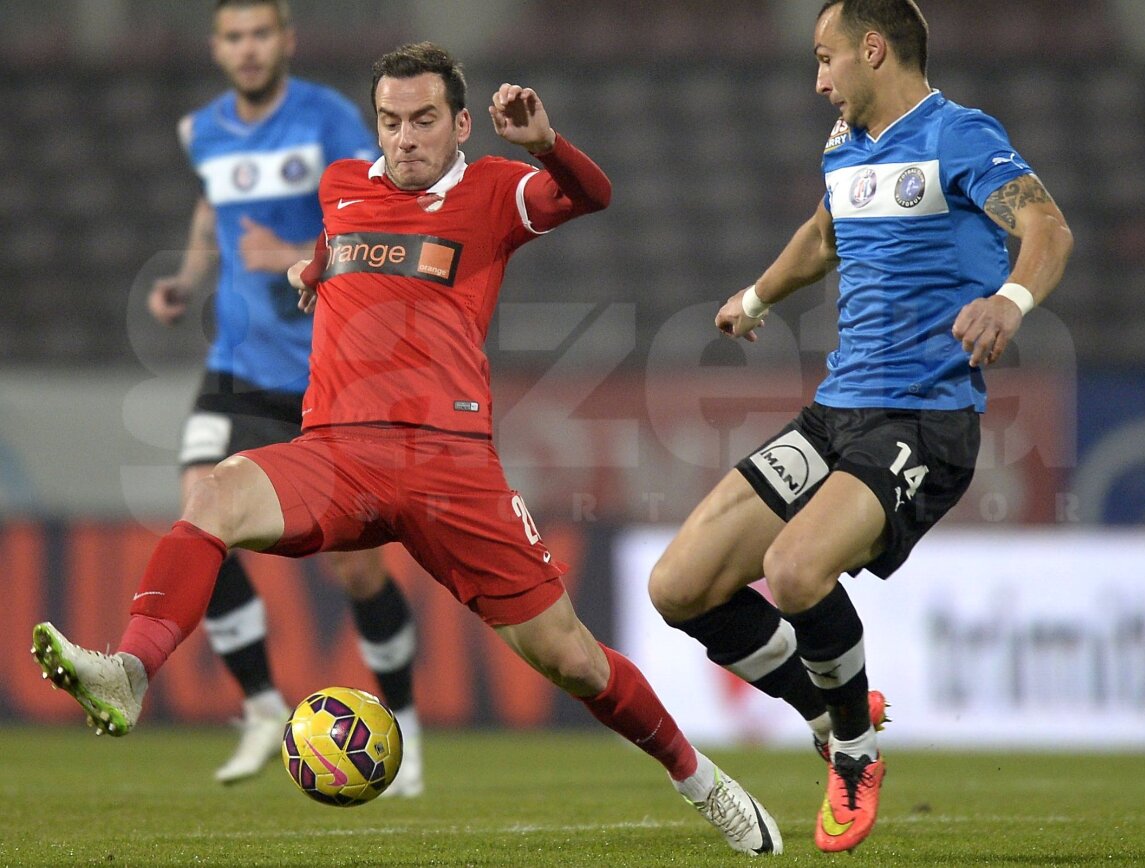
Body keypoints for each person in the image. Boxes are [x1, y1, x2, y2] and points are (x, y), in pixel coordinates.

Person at [33, 41, 783, 855]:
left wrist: (543, 143)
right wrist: (312, 267)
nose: (406, 138)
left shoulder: (494, 191)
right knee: (211, 494)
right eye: (391, 121)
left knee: (572, 661)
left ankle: (701, 782)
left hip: (449, 465)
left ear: (461, 123)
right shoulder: (343, 187)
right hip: (336, 454)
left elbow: (591, 193)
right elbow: (341, 247)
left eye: (424, 120)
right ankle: (132, 672)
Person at [647, 0, 1073, 855]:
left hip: (926, 418)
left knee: (795, 570)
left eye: (826, 58)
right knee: (678, 586)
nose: (818, 79)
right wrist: (757, 298)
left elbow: (1046, 226)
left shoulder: (958, 134)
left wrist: (1009, 299)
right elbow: (822, 233)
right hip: (838, 411)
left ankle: (853, 751)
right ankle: (830, 708)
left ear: (872, 49)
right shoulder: (845, 147)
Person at [145, 0, 422, 794]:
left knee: (358, 572)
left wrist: (295, 253)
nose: (249, 48)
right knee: (198, 507)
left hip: (324, 373)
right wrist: (188, 280)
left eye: (261, 33)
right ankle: (265, 705)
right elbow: (212, 211)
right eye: (234, 36)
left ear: (286, 41)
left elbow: (380, 221)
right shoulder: (203, 132)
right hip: (236, 363)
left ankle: (404, 718)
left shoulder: (329, 120)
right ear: (218, 48)